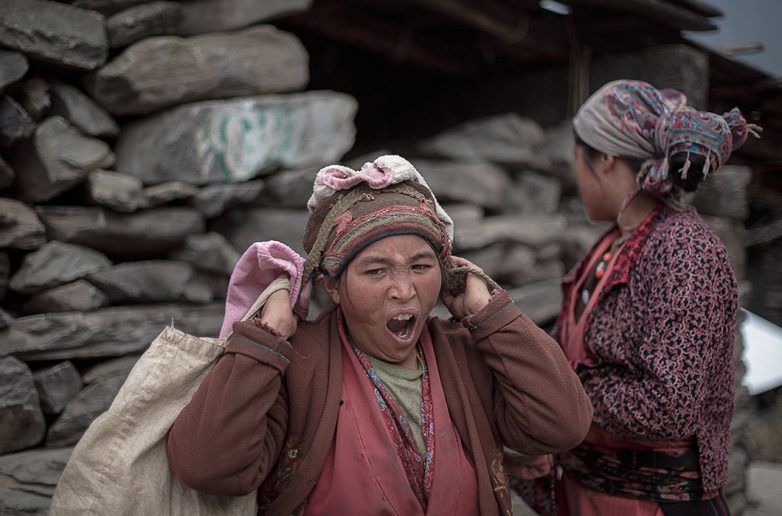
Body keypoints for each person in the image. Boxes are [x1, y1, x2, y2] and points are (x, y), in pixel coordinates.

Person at [166, 155, 593, 515]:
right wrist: (266, 336)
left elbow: (563, 425)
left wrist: (489, 314)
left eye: (421, 267)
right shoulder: (297, 366)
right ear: (331, 285)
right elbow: (209, 468)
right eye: (376, 271)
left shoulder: (466, 354)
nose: (404, 290)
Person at [517, 80, 760, 515]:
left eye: (578, 159)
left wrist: (562, 393)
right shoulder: (612, 245)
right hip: (589, 495)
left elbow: (669, 406)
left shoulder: (684, 251)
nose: (576, 175)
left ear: (605, 160)